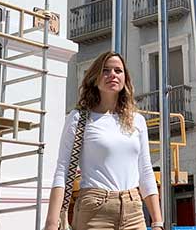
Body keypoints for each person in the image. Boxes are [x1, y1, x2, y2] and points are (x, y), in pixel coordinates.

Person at [44, 51, 163, 230]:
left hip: (133, 209)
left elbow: (145, 171)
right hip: (95, 208)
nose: (112, 75)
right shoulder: (79, 118)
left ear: (125, 79)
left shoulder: (137, 120)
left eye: (118, 70)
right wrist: (52, 223)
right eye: (106, 70)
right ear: (94, 78)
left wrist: (157, 222)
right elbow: (63, 170)